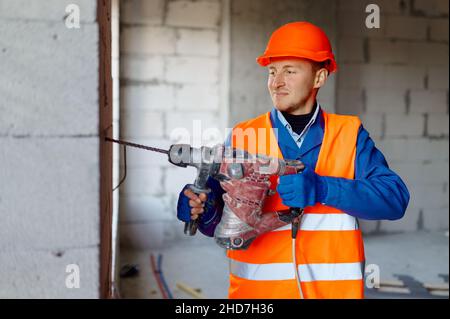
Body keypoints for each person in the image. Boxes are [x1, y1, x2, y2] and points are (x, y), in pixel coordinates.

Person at [177, 21, 409, 299]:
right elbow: (220, 225)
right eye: (272, 71)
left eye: (290, 71)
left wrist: (323, 188)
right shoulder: (243, 135)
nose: (276, 82)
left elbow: (394, 200)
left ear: (319, 78)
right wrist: (203, 211)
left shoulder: (348, 134)